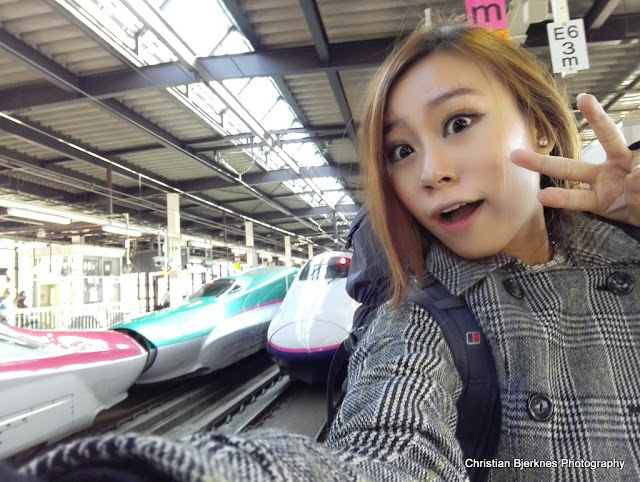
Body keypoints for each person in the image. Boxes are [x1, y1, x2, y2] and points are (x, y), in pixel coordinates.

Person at [8, 16, 640, 482]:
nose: (430, 173)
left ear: (539, 125)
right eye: (400, 150)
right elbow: (384, 453)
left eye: (458, 123)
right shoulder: (418, 321)